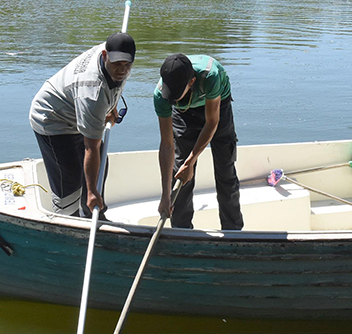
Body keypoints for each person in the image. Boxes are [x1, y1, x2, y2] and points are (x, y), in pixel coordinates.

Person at [28, 32, 135, 217]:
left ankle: (92, 211)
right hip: (52, 118)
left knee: (101, 161)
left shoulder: (118, 50)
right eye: (117, 64)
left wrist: (112, 104)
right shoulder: (92, 91)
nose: (122, 70)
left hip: (76, 110)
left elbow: (116, 82)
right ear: (104, 55)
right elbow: (90, 147)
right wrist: (92, 191)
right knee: (69, 179)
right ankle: (67, 220)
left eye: (127, 65)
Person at [154, 53, 243, 230]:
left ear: (191, 82)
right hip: (184, 113)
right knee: (179, 172)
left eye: (177, 93)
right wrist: (165, 196)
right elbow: (166, 144)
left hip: (217, 107)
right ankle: (180, 229)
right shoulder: (161, 96)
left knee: (225, 170)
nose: (171, 98)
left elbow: (212, 123)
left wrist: (192, 161)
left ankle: (233, 229)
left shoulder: (210, 76)